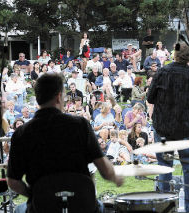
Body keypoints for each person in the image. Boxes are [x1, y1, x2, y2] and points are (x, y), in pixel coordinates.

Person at [7, 73, 123, 212]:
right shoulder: (80, 125)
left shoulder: (21, 133)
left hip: (43, 207)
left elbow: (13, 182)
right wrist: (116, 177)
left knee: (19, 209)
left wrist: (33, 194)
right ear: (58, 97)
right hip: (82, 205)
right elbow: (105, 170)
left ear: (38, 98)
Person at [147, 42, 189, 212]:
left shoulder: (162, 72)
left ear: (174, 55)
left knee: (165, 165)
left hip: (163, 128)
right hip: (184, 128)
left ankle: (165, 206)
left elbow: (150, 98)